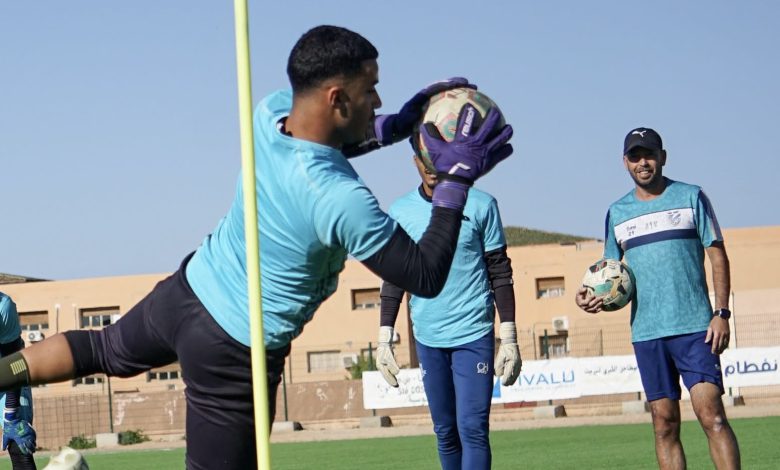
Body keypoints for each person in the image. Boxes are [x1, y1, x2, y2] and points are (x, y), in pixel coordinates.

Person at [0, 25, 513, 470]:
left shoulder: (271, 113)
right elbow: (424, 275)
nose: (379, 102)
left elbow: (333, 138)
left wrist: (399, 126)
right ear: (337, 98)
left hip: (188, 291)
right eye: (371, 89)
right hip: (233, 352)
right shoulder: (339, 198)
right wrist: (454, 182)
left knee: (99, 348)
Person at [575, 127, 740, 469]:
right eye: (635, 156)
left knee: (712, 416)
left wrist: (721, 312)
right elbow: (608, 272)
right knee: (664, 424)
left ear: (662, 157)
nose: (643, 162)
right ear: (625, 162)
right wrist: (589, 297)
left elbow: (718, 257)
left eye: (649, 154)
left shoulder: (691, 196)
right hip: (647, 332)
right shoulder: (617, 212)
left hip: (696, 329)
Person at [377, 150, 521, 470]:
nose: (431, 167)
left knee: (473, 429)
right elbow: (394, 277)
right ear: (414, 160)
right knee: (445, 432)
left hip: (473, 334)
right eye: (424, 159)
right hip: (427, 336)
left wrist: (509, 336)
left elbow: (499, 272)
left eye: (436, 158)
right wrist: (384, 337)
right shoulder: (401, 211)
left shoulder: (482, 204)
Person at [0, 292, 37, 470]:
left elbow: (15, 364)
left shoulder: (3, 306)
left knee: (19, 444)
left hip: (6, 376)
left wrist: (11, 417)